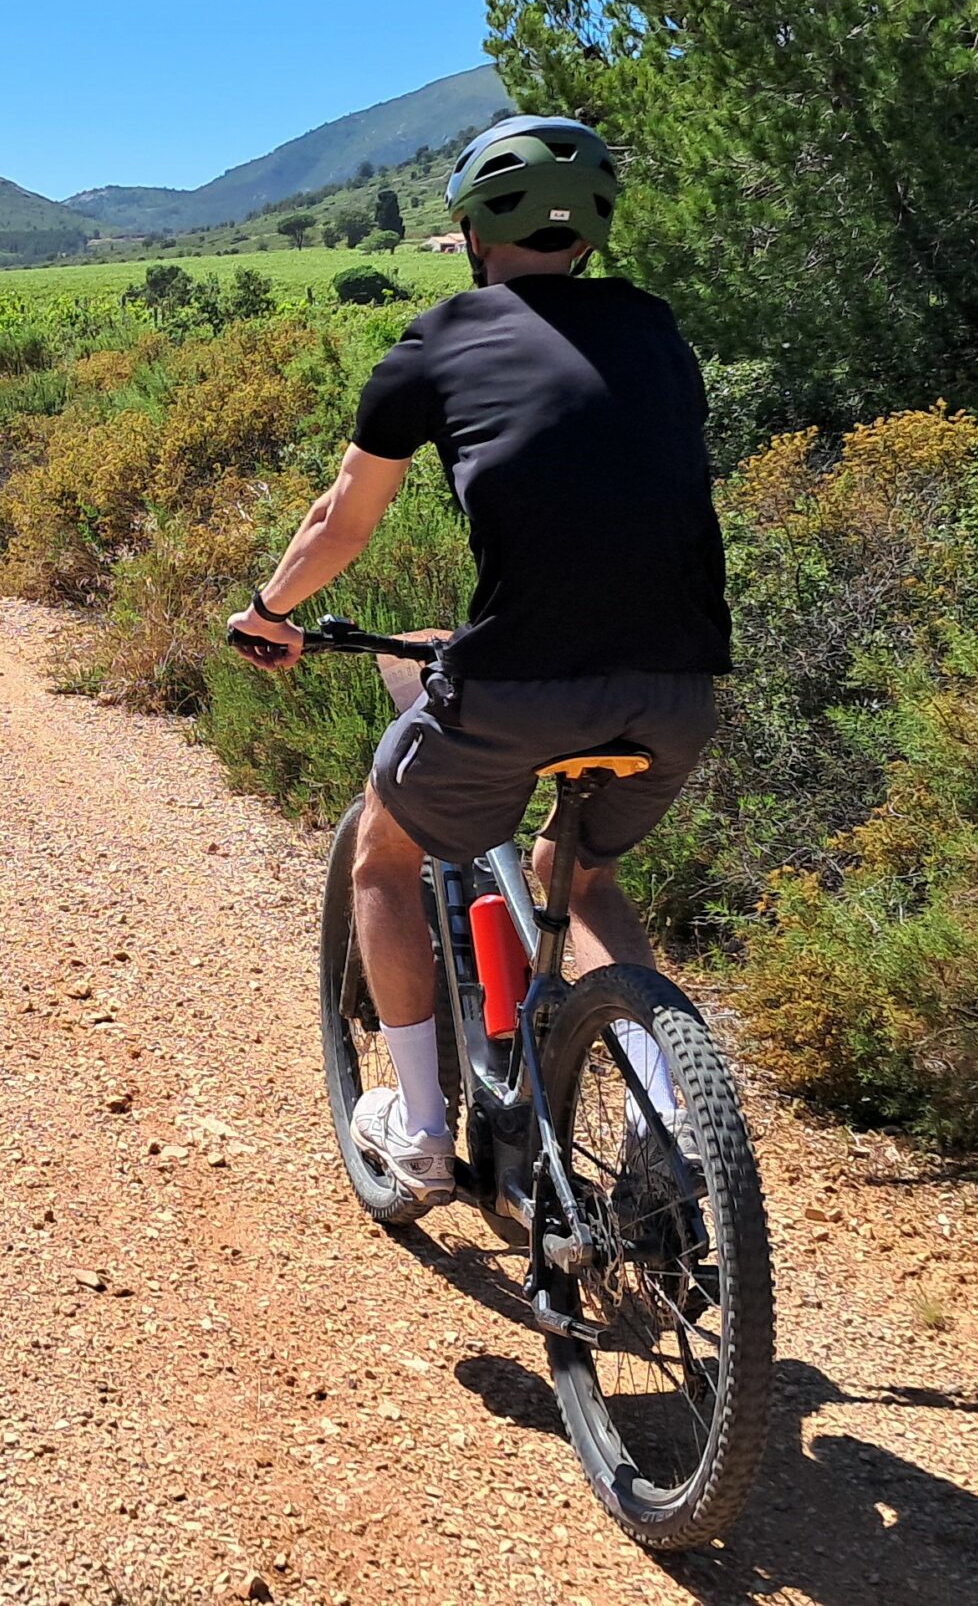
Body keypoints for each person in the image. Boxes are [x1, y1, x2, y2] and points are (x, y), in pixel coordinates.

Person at [224, 115, 730, 1210]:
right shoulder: (657, 329)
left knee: (382, 855)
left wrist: (271, 612)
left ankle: (416, 1132)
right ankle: (671, 1126)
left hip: (517, 685)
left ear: (468, 231)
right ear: (589, 237)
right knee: (580, 875)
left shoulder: (439, 339)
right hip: (678, 688)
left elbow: (342, 519)